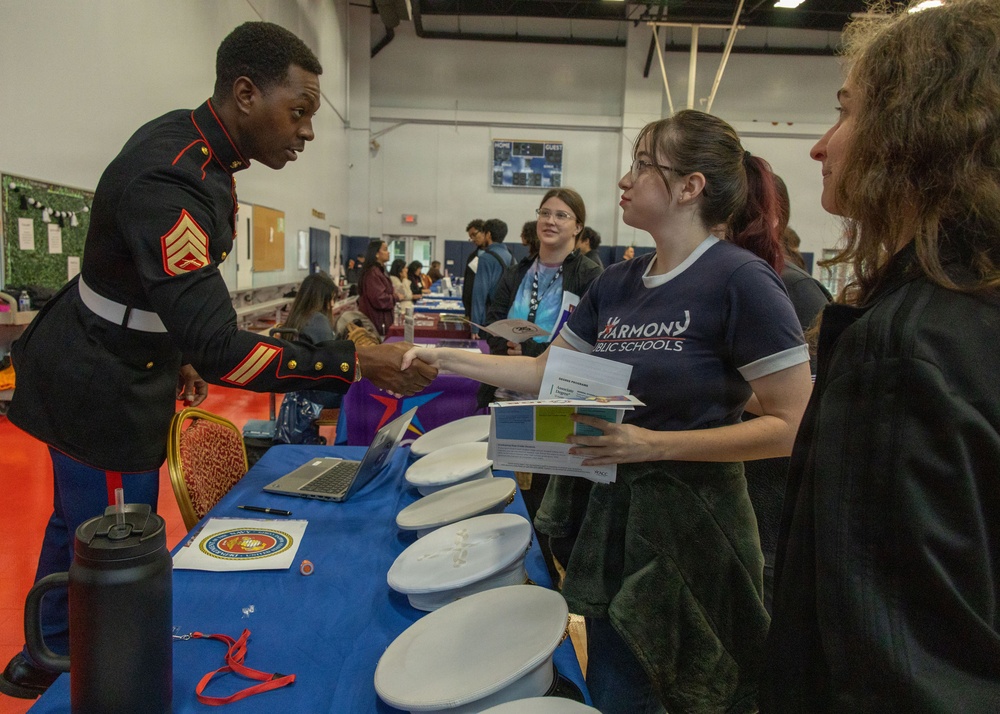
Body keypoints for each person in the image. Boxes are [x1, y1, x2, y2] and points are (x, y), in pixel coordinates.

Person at [0, 21, 436, 700]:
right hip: (100, 375)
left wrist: (176, 350)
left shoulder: (205, 153)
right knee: (119, 536)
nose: (307, 133)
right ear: (243, 94)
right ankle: (76, 672)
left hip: (133, 352)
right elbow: (223, 347)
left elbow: (163, 293)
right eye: (298, 113)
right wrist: (353, 364)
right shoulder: (171, 175)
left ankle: (48, 649)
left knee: (78, 520)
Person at [403, 109, 812, 713]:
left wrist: (654, 444)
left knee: (692, 693)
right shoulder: (617, 283)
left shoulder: (740, 280)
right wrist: (446, 361)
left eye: (643, 165)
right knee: (620, 686)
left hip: (695, 528)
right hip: (613, 517)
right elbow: (548, 371)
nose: (625, 180)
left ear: (690, 186)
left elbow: (793, 427)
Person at [761, 2, 1000, 711]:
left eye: (845, 113)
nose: (821, 146)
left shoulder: (908, 346)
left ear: (913, 133)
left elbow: (900, 670)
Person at [476, 188, 602, 585]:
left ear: (577, 227)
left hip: (557, 399)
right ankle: (507, 572)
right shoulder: (517, 271)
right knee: (507, 489)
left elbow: (594, 334)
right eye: (545, 213)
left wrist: (532, 349)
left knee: (550, 499)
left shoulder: (590, 275)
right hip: (507, 395)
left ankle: (548, 578)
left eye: (562, 215)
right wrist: (505, 346)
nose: (551, 221)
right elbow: (493, 315)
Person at [742, 173, 831, 613]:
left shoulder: (795, 288)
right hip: (741, 502)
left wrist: (718, 385)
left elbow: (812, 402)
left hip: (771, 510)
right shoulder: (732, 281)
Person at [273, 272, 343, 444]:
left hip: (299, 391)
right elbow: (332, 358)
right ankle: (350, 442)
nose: (332, 304)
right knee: (359, 393)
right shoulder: (317, 320)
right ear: (322, 298)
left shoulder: (297, 317)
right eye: (331, 299)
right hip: (316, 394)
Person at [469, 218, 513, 334]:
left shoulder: (485, 258)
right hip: (505, 318)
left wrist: (475, 326)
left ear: (488, 234)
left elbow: (479, 293)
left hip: (488, 320)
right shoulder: (511, 257)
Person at [358, 239, 398, 336]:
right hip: (377, 322)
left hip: (382, 320)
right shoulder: (373, 273)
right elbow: (379, 299)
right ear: (376, 254)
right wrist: (395, 297)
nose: (388, 252)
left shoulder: (380, 271)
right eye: (385, 249)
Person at [462, 219, 485, 317]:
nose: (473, 239)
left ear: (485, 232)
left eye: (474, 235)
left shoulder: (497, 257)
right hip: (471, 309)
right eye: (470, 237)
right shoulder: (472, 257)